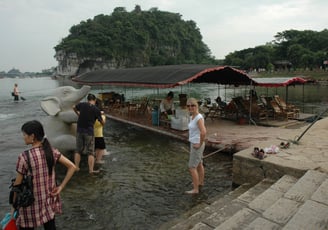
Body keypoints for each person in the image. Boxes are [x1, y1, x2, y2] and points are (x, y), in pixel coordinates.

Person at [12, 120, 76, 229]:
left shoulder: (24, 157)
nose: (23, 137)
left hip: (30, 204)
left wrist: (14, 206)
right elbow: (72, 167)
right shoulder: (51, 151)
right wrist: (61, 187)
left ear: (32, 136)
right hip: (48, 201)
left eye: (24, 134)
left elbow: (17, 186)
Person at [73, 93, 104, 174]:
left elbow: (74, 107)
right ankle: (91, 170)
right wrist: (102, 117)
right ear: (95, 100)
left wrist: (78, 114)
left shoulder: (82, 105)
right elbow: (102, 123)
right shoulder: (96, 109)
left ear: (87, 99)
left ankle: (76, 167)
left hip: (79, 130)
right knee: (90, 151)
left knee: (78, 150)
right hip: (89, 132)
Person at [185, 98, 206, 194]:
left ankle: (195, 189)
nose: (190, 107)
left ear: (197, 106)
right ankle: (200, 183)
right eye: (188, 106)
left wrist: (199, 144)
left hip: (197, 144)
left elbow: (203, 132)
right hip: (193, 142)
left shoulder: (198, 117)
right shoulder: (192, 117)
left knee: (191, 167)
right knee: (199, 164)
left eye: (192, 105)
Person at [94, 99, 107, 164]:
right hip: (99, 134)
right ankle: (98, 160)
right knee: (102, 148)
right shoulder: (101, 115)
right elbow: (103, 123)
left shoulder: (90, 114)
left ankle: (96, 159)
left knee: (96, 147)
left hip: (91, 134)